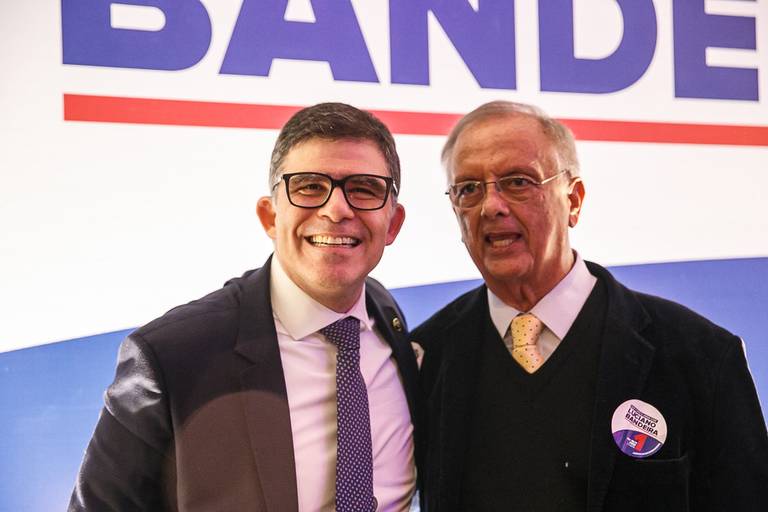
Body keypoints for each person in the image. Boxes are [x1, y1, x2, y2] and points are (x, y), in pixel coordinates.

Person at [412, 100, 768, 511]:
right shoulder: (426, 358)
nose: (491, 206)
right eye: (469, 189)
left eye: (517, 181)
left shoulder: (699, 355)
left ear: (574, 200)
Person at [69, 103, 418, 511]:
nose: (337, 209)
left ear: (393, 224)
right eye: (309, 186)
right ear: (269, 217)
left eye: (364, 189)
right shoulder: (172, 356)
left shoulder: (386, 318)